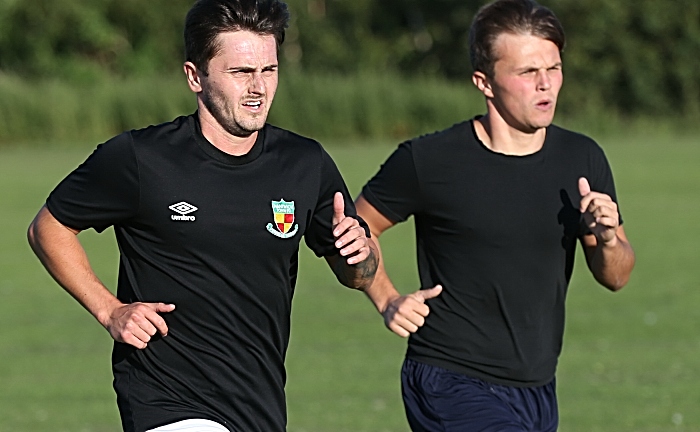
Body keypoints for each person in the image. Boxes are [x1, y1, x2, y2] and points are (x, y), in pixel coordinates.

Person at [27, 1, 378, 431]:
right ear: (195, 76)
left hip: (260, 404)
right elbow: (49, 225)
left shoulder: (304, 162)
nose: (259, 88)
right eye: (240, 73)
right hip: (165, 401)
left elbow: (359, 274)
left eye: (269, 71)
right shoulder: (141, 158)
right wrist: (109, 310)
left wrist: (359, 253)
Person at [355, 0, 636, 430]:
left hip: (538, 388)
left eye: (554, 69)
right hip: (448, 379)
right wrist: (387, 298)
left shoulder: (582, 158)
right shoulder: (430, 161)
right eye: (527, 73)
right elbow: (355, 227)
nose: (546, 85)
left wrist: (610, 237)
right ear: (484, 82)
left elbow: (616, 276)